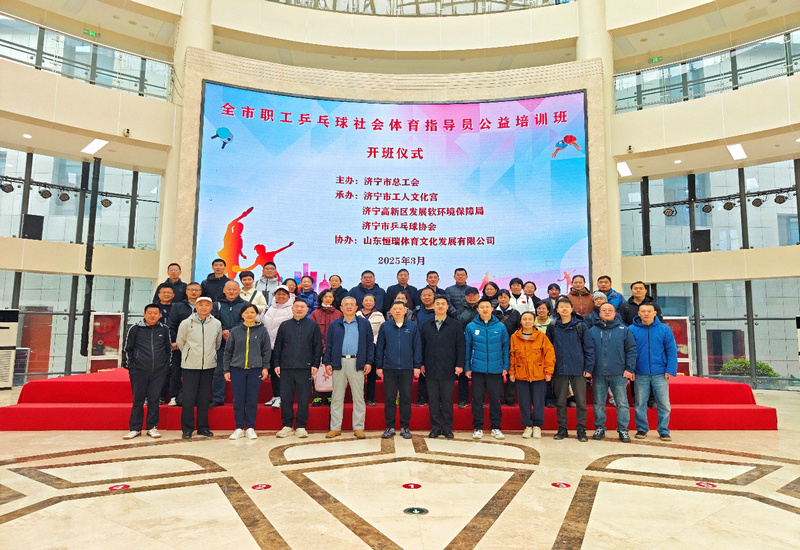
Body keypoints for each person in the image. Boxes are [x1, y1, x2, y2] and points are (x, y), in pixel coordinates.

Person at [323, 296, 375, 439]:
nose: (349, 307)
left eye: (352, 304)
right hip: (338, 363)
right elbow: (329, 345)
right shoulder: (335, 324)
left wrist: (369, 362)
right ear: (341, 308)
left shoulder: (364, 324)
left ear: (356, 307)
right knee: (337, 397)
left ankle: (358, 427)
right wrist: (327, 362)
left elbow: (370, 344)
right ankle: (335, 428)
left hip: (357, 363)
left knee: (358, 397)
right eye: (346, 304)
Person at [546, 297, 594, 442]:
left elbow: (589, 348)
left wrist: (588, 367)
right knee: (560, 401)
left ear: (572, 309)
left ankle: (581, 430)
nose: (564, 309)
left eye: (567, 306)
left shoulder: (581, 326)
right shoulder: (552, 326)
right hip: (559, 369)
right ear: (557, 310)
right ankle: (562, 429)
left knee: (581, 402)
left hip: (578, 369)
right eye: (561, 306)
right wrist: (550, 368)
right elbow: (548, 350)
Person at [272, 300, 322, 438]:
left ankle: (301, 426)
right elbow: (278, 346)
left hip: (305, 368)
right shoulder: (284, 325)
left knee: (303, 399)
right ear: (292, 309)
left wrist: (315, 364)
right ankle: (287, 425)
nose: (299, 309)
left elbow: (317, 346)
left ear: (307, 309)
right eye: (297, 307)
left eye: (302, 307)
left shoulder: (313, 326)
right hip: (286, 367)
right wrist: (276, 364)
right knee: (286, 398)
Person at [589, 303, 637, 443]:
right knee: (598, 403)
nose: (607, 312)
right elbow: (588, 351)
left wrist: (629, 368)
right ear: (599, 313)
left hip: (619, 373)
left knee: (621, 403)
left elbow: (631, 350)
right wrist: (589, 369)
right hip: (598, 373)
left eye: (610, 310)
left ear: (615, 313)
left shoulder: (624, 330)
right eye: (604, 310)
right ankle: (600, 428)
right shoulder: (592, 330)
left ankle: (623, 430)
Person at [122, 304, 172, 440]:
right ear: (144, 314)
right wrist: (131, 366)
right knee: (138, 400)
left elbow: (168, 349)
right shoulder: (135, 329)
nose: (152, 316)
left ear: (160, 315)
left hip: (158, 371)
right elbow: (127, 349)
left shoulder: (164, 329)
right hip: (138, 371)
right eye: (150, 313)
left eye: (155, 313)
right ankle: (135, 428)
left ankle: (152, 427)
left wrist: (165, 366)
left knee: (154, 399)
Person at [630, 304, 678, 442]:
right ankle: (641, 429)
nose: (646, 314)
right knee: (640, 403)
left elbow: (671, 350)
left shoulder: (664, 329)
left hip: (660, 372)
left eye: (649, 311)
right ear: (639, 313)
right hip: (640, 372)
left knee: (663, 404)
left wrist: (671, 369)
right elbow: (628, 351)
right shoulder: (631, 329)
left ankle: (663, 430)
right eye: (643, 311)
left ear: (655, 313)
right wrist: (630, 368)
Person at [176, 296, 222, 439]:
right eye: (200, 304)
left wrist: (209, 355)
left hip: (208, 365)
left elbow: (217, 343)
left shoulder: (216, 323)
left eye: (207, 305)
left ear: (211, 307)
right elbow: (180, 342)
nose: (203, 307)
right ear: (195, 307)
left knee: (204, 398)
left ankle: (203, 427)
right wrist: (190, 354)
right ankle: (187, 429)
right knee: (188, 398)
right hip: (190, 365)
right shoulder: (186, 323)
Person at [375, 301, 422, 439]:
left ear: (405, 310)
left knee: (405, 398)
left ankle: (405, 427)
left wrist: (417, 366)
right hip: (389, 367)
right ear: (391, 311)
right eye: (395, 309)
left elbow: (417, 347)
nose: (397, 311)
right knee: (390, 398)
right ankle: (390, 427)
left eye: (400, 309)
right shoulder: (385, 326)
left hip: (407, 368)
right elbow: (380, 347)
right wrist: (379, 365)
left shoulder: (413, 326)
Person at [420, 296, 465, 439]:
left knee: (446, 400)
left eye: (443, 304)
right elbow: (422, 346)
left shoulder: (455, 325)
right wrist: (421, 364)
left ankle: (447, 428)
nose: (440, 306)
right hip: (430, 368)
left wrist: (459, 364)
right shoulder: (426, 325)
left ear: (447, 307)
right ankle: (435, 428)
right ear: (433, 306)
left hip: (448, 368)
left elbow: (461, 346)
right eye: (437, 304)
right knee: (433, 400)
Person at [223, 304, 271, 440]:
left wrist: (265, 367)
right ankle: (239, 427)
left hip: (255, 369)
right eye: (246, 312)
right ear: (242, 314)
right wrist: (226, 369)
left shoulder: (262, 331)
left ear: (256, 314)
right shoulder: (235, 331)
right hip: (237, 369)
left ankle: (250, 427)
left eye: (252, 312)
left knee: (251, 399)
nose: (249, 315)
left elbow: (266, 350)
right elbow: (228, 352)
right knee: (238, 400)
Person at [465, 298, 509, 440]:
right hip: (477, 369)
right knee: (477, 400)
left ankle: (496, 427)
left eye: (487, 307)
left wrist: (505, 366)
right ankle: (478, 427)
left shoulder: (500, 327)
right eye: (482, 307)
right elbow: (467, 348)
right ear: (478, 309)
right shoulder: (471, 327)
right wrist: (467, 367)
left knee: (495, 400)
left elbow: (506, 347)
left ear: (492, 309)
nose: (485, 309)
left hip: (495, 370)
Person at [509, 311, 555, 439]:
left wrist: (548, 372)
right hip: (521, 374)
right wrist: (512, 372)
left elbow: (549, 354)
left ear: (534, 321)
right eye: (524, 319)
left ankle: (537, 426)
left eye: (530, 319)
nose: (527, 321)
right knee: (524, 401)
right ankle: (528, 426)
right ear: (521, 321)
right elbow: (512, 355)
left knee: (539, 401)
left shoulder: (541, 336)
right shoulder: (514, 337)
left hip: (538, 374)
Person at [165, 282, 207, 406]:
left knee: (197, 372)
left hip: (199, 346)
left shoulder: (206, 306)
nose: (194, 292)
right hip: (180, 345)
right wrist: (174, 341)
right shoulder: (178, 306)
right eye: (191, 290)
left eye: (197, 290)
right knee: (176, 371)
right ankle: (174, 395)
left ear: (201, 292)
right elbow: (171, 325)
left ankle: (195, 396)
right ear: (186, 291)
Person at [210, 281, 247, 408]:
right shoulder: (216, 304)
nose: (231, 292)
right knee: (218, 370)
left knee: (241, 371)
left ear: (239, 291)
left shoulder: (245, 305)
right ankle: (218, 398)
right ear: (224, 290)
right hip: (220, 341)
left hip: (239, 342)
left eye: (234, 289)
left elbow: (245, 321)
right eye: (229, 289)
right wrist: (223, 332)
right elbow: (213, 320)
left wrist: (231, 332)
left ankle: (241, 398)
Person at [259, 285, 295, 408]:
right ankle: (276, 396)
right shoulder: (270, 308)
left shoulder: (291, 309)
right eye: (278, 294)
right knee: (274, 373)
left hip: (284, 347)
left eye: (284, 294)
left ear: (288, 296)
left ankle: (282, 397)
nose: (281, 296)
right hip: (269, 347)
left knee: (282, 373)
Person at [310, 289, 342, 407]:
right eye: (325, 296)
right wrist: (322, 345)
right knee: (317, 370)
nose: (328, 299)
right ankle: (317, 396)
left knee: (333, 370)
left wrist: (330, 346)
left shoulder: (338, 314)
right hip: (318, 346)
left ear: (334, 299)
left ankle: (330, 395)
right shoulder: (315, 313)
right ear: (321, 298)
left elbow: (340, 332)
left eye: (330, 297)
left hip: (334, 348)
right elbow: (313, 331)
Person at [356, 294, 385, 407]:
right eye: (366, 300)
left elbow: (382, 331)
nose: (368, 302)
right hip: (359, 347)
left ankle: (370, 399)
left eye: (371, 301)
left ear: (374, 303)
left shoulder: (379, 315)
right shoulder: (356, 315)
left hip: (374, 346)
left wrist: (373, 341)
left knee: (371, 375)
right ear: (362, 302)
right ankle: (359, 399)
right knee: (359, 375)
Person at [410, 287, 437, 406]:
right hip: (420, 344)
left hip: (435, 345)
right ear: (420, 298)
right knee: (422, 371)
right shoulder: (416, 312)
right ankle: (422, 397)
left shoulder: (438, 310)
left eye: (429, 295)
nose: (427, 297)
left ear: (434, 296)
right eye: (424, 295)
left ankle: (435, 398)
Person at [494, 290, 521, 406]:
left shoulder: (516, 313)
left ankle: (510, 398)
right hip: (496, 346)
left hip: (512, 346)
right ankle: (499, 397)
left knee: (511, 371)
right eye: (500, 297)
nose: (503, 299)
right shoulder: (493, 313)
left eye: (505, 297)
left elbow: (519, 330)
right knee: (498, 372)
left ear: (509, 298)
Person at [455, 287, 480, 408]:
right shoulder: (460, 311)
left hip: (479, 345)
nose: (471, 297)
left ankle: (479, 399)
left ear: (478, 296)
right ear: (465, 297)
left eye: (474, 295)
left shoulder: (482, 309)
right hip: (464, 345)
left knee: (479, 374)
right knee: (463, 373)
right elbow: (457, 329)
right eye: (469, 295)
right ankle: (463, 399)